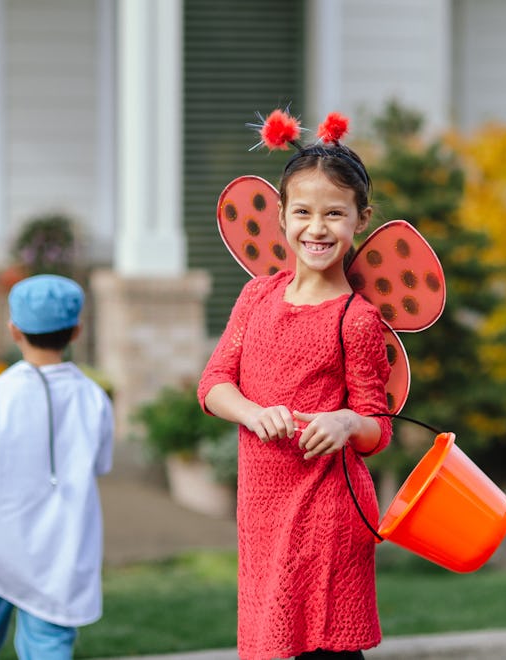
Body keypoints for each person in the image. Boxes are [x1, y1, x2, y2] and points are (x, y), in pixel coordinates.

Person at [198, 111, 393, 660]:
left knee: (324, 648)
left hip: (326, 509)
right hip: (264, 508)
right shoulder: (257, 296)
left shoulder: (355, 318)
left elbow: (378, 427)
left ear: (361, 219)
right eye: (303, 212)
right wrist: (254, 412)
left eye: (335, 214)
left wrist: (345, 422)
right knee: (271, 640)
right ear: (280, 215)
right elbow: (213, 383)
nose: (317, 227)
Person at [0, 274, 114, 660]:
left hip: (1, 540)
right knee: (49, 644)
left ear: (13, 330)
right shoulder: (94, 398)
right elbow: (100, 464)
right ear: (76, 331)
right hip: (63, 547)